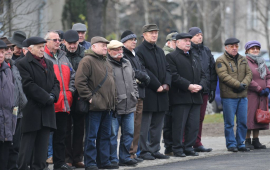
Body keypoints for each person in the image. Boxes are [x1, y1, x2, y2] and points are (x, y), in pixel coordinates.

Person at [16, 37, 60, 170]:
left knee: (42, 150)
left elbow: (56, 83)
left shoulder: (48, 63)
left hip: (46, 112)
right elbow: (28, 85)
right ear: (30, 48)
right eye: (39, 47)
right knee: (26, 148)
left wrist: (53, 95)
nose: (42, 49)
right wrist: (47, 98)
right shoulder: (22, 63)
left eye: (43, 46)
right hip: (31, 111)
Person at [75, 36, 117, 170]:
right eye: (102, 45)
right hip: (94, 107)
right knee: (91, 137)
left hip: (107, 106)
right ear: (93, 47)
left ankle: (103, 161)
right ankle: (91, 163)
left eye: (106, 45)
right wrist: (89, 97)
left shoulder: (106, 61)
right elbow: (79, 82)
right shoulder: (87, 61)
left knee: (105, 136)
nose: (105, 47)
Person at [166, 33, 208, 157]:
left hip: (195, 96)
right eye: (185, 40)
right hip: (180, 97)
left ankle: (188, 147)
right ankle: (177, 148)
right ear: (177, 42)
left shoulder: (194, 57)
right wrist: (188, 86)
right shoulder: (171, 57)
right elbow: (174, 76)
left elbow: (203, 75)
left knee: (193, 124)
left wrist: (201, 86)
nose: (188, 42)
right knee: (179, 125)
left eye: (189, 40)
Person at [136, 24, 171, 160]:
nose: (154, 35)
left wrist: (166, 84)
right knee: (145, 126)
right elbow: (143, 70)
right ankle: (144, 151)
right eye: (151, 33)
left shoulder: (160, 51)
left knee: (158, 125)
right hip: (149, 93)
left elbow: (168, 69)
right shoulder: (139, 51)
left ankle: (155, 149)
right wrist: (156, 85)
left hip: (162, 93)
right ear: (144, 35)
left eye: (156, 32)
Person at [44, 31, 76, 170]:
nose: (58, 42)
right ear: (47, 42)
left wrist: (70, 91)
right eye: (55, 40)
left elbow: (73, 75)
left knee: (61, 136)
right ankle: (41, 164)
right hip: (49, 103)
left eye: (59, 40)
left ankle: (59, 163)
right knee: (44, 137)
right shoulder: (43, 57)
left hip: (64, 103)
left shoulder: (64, 56)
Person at [215, 38, 252, 152]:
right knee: (229, 123)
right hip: (229, 97)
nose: (234, 48)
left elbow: (249, 73)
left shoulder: (243, 59)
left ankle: (241, 143)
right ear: (226, 48)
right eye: (232, 46)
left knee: (242, 121)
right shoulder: (221, 60)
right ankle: (231, 144)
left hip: (242, 96)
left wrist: (244, 84)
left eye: (236, 46)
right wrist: (238, 85)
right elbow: (223, 76)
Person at [107, 40, 139, 167]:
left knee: (129, 133)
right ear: (109, 51)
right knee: (113, 135)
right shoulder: (107, 64)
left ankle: (125, 157)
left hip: (129, 104)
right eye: (116, 50)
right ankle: (113, 159)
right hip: (115, 107)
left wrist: (135, 95)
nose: (120, 52)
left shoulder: (127, 62)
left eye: (121, 49)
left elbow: (133, 80)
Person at [121, 30, 150, 162]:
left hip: (140, 93)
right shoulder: (123, 55)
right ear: (124, 42)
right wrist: (143, 77)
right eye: (131, 40)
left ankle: (133, 153)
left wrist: (144, 77)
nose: (134, 42)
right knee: (130, 127)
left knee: (137, 125)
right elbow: (132, 72)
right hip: (131, 95)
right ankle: (127, 154)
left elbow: (142, 70)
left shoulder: (135, 54)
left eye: (135, 40)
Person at [189, 27, 217, 152]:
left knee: (200, 118)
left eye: (201, 34)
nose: (200, 37)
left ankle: (197, 142)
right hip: (191, 89)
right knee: (189, 118)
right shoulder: (188, 50)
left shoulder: (206, 51)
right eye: (196, 35)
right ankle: (186, 142)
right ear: (190, 38)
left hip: (204, 89)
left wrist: (212, 88)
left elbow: (212, 70)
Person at [1, 37, 27, 170]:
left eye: (11, 48)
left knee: (15, 147)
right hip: (4, 115)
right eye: (6, 49)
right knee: (4, 149)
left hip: (17, 113)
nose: (9, 51)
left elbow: (19, 88)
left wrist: (22, 105)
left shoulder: (14, 66)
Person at [61, 30, 86, 168]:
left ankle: (77, 157)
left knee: (79, 128)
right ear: (64, 42)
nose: (72, 46)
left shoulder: (84, 54)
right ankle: (67, 158)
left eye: (74, 43)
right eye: (69, 43)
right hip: (65, 95)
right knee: (65, 128)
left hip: (80, 96)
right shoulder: (60, 54)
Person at [245, 40, 269, 150]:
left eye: (257, 48)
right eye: (252, 48)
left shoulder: (262, 61)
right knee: (249, 117)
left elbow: (268, 76)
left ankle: (256, 140)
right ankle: (247, 140)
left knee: (259, 117)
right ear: (247, 50)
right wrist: (259, 89)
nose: (255, 50)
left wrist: (268, 87)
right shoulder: (245, 62)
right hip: (251, 94)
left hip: (262, 96)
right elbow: (247, 78)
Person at [162, 31, 178, 156]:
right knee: (168, 120)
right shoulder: (166, 54)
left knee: (174, 120)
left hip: (175, 90)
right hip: (168, 91)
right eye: (174, 42)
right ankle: (169, 146)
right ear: (169, 42)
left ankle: (173, 145)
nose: (176, 44)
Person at [0, 40, 15, 170]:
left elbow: (12, 99)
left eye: (2, 52)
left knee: (4, 161)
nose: (1, 54)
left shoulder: (7, 71)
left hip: (6, 125)